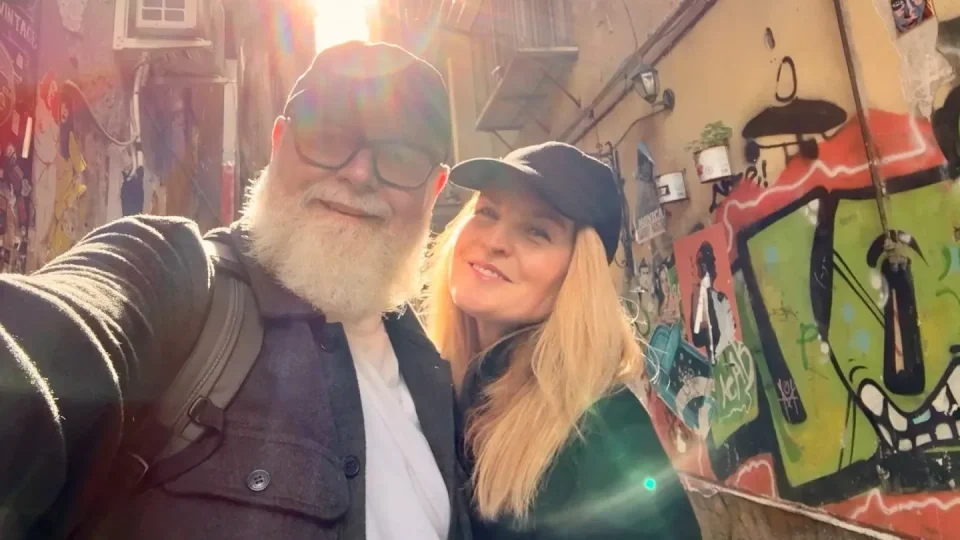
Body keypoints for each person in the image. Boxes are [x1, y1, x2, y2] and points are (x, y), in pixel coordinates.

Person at [0, 41, 468, 540]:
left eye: (399, 158)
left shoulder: (436, 375)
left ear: (434, 190)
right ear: (278, 143)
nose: (357, 175)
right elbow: (51, 337)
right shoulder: (175, 274)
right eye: (329, 137)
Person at [422, 142, 702, 539]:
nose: (495, 240)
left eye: (537, 231)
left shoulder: (600, 430)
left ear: (577, 274)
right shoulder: (433, 388)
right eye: (487, 212)